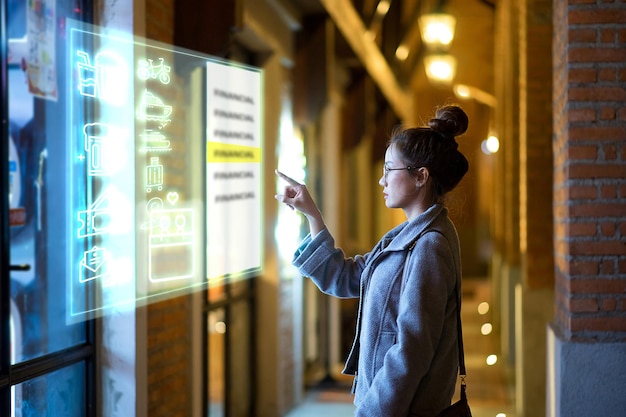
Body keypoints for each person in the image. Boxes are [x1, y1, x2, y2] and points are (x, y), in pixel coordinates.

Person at [275, 104, 470, 417]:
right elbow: (348, 277)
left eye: (389, 170)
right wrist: (311, 213)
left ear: (421, 176)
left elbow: (412, 351)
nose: (382, 181)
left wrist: (372, 412)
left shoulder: (430, 246)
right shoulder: (404, 236)